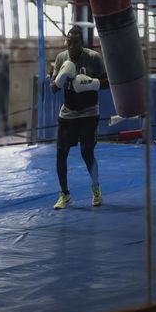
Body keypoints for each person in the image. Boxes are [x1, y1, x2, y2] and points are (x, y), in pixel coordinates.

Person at [50, 26, 108, 209]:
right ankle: (64, 193)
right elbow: (52, 88)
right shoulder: (61, 58)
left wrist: (91, 83)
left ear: (81, 43)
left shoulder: (93, 58)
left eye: (75, 42)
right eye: (69, 42)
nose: (71, 46)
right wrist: (59, 80)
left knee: (87, 153)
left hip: (89, 113)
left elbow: (108, 82)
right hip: (68, 113)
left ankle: (96, 187)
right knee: (61, 153)